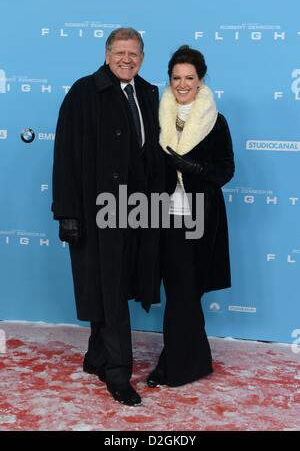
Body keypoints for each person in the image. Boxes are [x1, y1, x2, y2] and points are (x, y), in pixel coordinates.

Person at [52, 28, 164, 406]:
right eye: (120, 52)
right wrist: (66, 213)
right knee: (110, 291)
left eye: (134, 53)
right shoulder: (84, 92)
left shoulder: (149, 93)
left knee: (114, 285)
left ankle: (97, 355)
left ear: (142, 58)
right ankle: (118, 373)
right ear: (106, 54)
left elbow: (154, 154)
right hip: (96, 210)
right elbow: (65, 155)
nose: (126, 59)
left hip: (137, 211)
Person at [146, 45, 235, 388]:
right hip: (162, 215)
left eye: (189, 78)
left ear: (201, 80)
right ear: (169, 80)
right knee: (178, 292)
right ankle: (187, 362)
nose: (182, 84)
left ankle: (175, 365)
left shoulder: (215, 120)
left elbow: (226, 171)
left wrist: (192, 166)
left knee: (187, 292)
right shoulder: (156, 116)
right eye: (176, 78)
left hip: (200, 216)